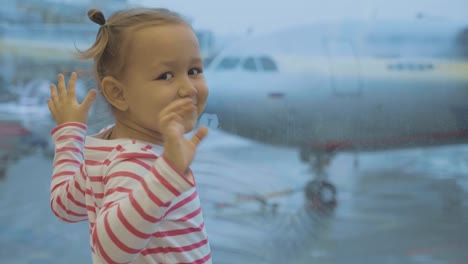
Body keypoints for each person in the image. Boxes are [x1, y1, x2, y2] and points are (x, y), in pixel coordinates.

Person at [47, 7, 211, 264]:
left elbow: (64, 206)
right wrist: (167, 174)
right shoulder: (140, 163)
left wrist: (70, 132)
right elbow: (110, 249)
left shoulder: (108, 149)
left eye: (194, 71)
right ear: (118, 94)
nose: (188, 88)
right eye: (166, 75)